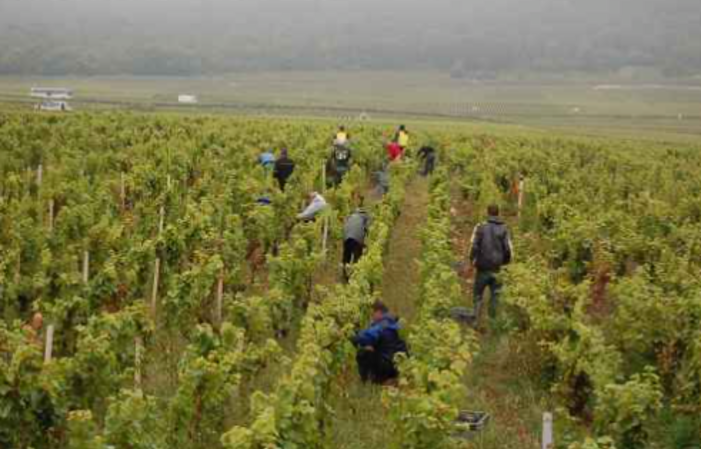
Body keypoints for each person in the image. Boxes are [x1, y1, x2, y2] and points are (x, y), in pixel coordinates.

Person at [469, 204, 513, 324]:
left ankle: (475, 321)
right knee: (495, 296)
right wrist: (505, 263)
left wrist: (472, 260)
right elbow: (508, 249)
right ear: (498, 214)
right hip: (497, 269)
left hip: (482, 268)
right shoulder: (504, 229)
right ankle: (492, 323)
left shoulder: (480, 227)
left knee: (478, 294)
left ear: (487, 213)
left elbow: (474, 246)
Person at [352, 301, 407, 384]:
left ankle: (371, 381)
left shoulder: (382, 324)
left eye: (372, 314)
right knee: (372, 348)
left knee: (363, 353)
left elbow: (366, 337)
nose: (372, 317)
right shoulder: (393, 322)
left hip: (386, 365)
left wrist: (352, 336)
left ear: (378, 312)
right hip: (396, 364)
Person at [342, 205, 371, 280]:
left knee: (346, 255)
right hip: (357, 238)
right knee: (357, 257)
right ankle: (354, 276)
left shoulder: (351, 216)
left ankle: (345, 273)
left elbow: (345, 225)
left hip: (347, 236)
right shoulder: (366, 217)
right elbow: (367, 229)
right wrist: (366, 244)